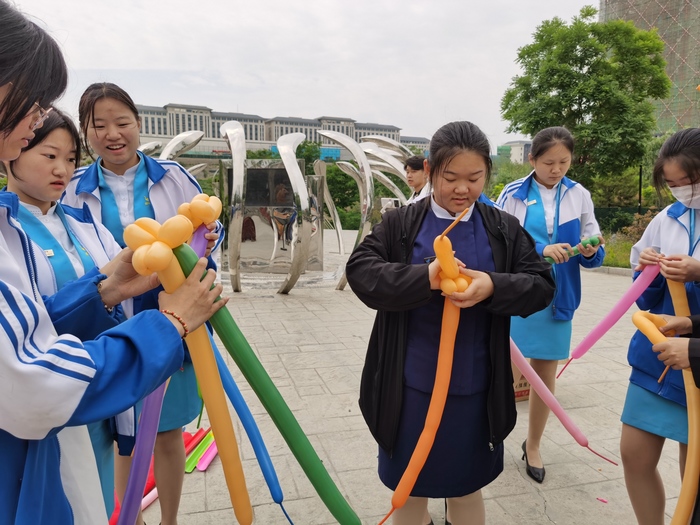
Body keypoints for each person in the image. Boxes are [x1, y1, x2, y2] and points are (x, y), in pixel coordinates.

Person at [0, 3, 227, 524]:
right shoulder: (41, 213)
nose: (35, 123)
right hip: (98, 374)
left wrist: (104, 290)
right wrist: (165, 324)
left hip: (142, 345)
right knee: (115, 459)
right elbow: (33, 377)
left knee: (157, 437)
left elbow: (35, 326)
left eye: (121, 122)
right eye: (31, 111)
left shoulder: (168, 180)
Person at [346, 121, 555, 525]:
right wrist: (425, 277)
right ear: (429, 169)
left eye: (475, 178)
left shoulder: (503, 229)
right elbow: (362, 271)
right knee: (409, 488)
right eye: (451, 177)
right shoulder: (401, 224)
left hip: (475, 388)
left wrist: (493, 286)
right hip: (407, 387)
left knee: (465, 487)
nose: (463, 189)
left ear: (487, 174)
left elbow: (541, 285)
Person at [61, 82, 221, 525]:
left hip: (174, 325)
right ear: (85, 133)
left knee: (168, 433)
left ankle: (168, 519)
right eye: (99, 126)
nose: (112, 134)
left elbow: (207, 233)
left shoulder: (174, 177)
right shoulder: (71, 188)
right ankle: (131, 519)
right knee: (120, 436)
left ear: (138, 124)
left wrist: (207, 244)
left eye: (122, 122)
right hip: (108, 332)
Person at [3, 107, 130, 515]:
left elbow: (124, 287)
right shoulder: (7, 230)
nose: (62, 169)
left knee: (96, 494)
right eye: (49, 154)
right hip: (41, 402)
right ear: (14, 150)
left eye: (71, 158)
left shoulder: (85, 225)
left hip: (98, 394)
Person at [496, 126, 605, 484]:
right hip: (520, 294)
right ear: (532, 159)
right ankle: (489, 439)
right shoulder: (513, 193)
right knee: (500, 370)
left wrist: (591, 248)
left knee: (545, 374)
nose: (556, 169)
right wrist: (540, 250)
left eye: (564, 162)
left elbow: (595, 244)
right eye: (548, 162)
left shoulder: (579, 195)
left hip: (559, 298)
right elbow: (498, 245)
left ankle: (535, 443)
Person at [619, 128, 700, 525]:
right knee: (634, 454)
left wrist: (699, 272)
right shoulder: (666, 219)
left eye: (687, 183)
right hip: (658, 354)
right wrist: (646, 269)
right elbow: (642, 295)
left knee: (694, 468)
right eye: (672, 185)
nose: (681, 192)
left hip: (697, 360)